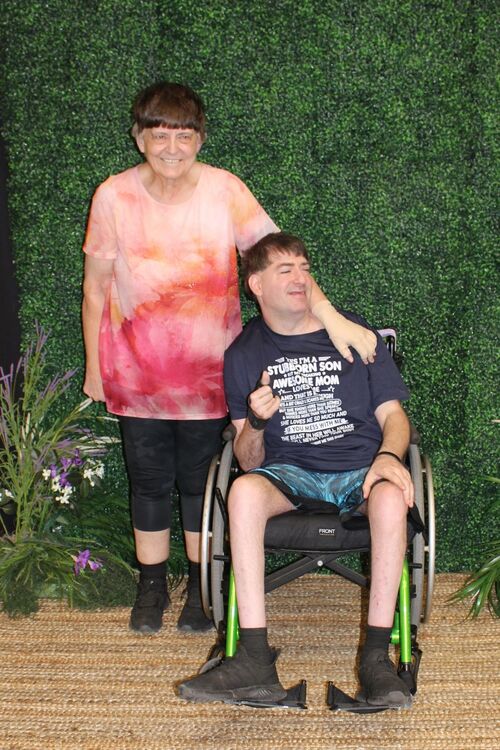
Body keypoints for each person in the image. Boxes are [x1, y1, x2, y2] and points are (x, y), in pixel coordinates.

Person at [82, 83, 377, 636]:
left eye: (184, 135)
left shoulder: (225, 191)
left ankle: (200, 586)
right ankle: (151, 585)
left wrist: (332, 318)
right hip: (136, 376)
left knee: (200, 484)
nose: (172, 148)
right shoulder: (113, 196)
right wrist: (95, 369)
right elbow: (95, 289)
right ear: (139, 137)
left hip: (209, 377)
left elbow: (280, 261)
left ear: (200, 139)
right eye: (160, 135)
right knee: (147, 482)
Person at [178, 232, 414, 708]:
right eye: (285, 270)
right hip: (290, 473)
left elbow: (394, 416)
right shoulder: (244, 355)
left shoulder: (356, 334)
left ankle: (376, 660)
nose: (300, 278)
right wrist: (256, 422)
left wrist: (388, 457)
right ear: (256, 285)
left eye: (305, 268)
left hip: (360, 469)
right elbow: (248, 460)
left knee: (391, 495)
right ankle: (254, 660)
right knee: (243, 491)